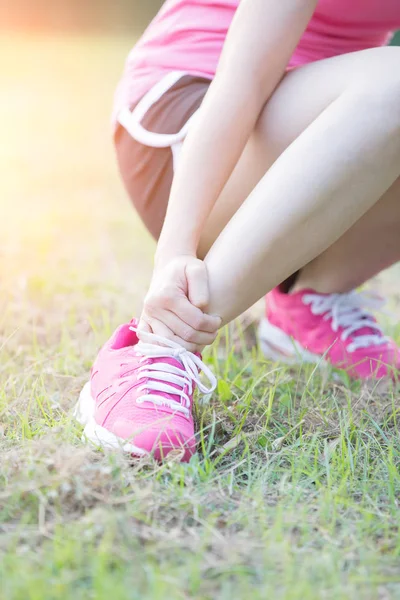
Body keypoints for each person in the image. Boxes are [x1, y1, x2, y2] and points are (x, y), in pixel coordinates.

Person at [75, 0, 400, 462]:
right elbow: (242, 81)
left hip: (322, 126)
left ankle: (314, 298)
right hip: (190, 122)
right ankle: (160, 344)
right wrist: (174, 253)